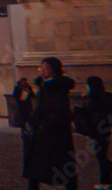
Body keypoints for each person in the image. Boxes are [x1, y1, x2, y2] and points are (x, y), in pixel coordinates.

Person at [23, 57, 76, 190]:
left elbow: (58, 110)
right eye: (41, 68)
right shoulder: (44, 86)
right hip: (42, 132)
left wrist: (45, 125)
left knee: (61, 164)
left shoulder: (57, 88)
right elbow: (39, 109)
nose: (42, 71)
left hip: (54, 133)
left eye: (45, 68)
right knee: (37, 166)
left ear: (54, 70)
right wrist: (32, 122)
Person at [80, 77, 112, 190]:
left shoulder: (94, 99)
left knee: (101, 157)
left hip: (97, 130)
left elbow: (89, 113)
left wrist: (86, 99)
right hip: (105, 129)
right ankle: (106, 182)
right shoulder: (106, 97)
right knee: (102, 156)